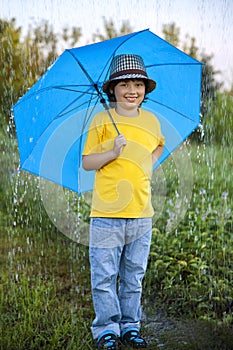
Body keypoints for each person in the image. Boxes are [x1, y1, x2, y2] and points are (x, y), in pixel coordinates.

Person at [82, 54, 165, 349]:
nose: (132, 90)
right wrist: (113, 153)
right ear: (112, 89)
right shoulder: (102, 120)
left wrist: (148, 164)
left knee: (134, 276)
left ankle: (130, 325)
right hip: (106, 213)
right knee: (105, 275)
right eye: (125, 84)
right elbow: (88, 162)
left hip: (142, 214)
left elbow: (158, 146)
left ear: (146, 89)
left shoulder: (152, 121)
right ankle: (107, 328)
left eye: (138, 84)